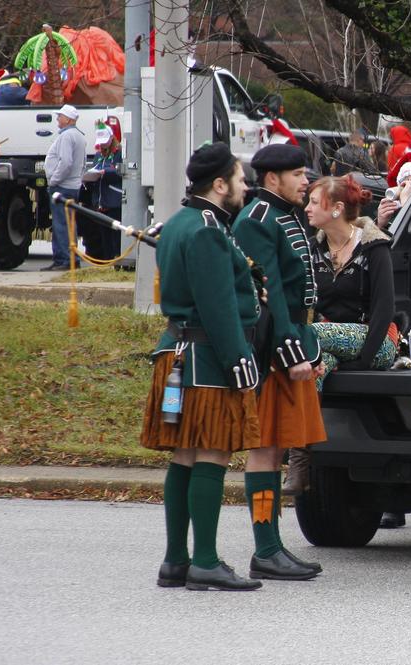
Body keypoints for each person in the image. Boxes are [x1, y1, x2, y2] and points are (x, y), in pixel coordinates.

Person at [139, 142, 262, 591]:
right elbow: (218, 305)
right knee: (212, 449)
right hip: (207, 357)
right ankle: (205, 561)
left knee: (185, 454)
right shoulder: (208, 230)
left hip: (178, 353)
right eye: (240, 178)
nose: (245, 186)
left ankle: (176, 561)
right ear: (219, 184)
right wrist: (238, 360)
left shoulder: (178, 222)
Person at [232, 143, 326, 581]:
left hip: (293, 339)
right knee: (265, 449)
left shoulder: (284, 214)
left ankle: (272, 545)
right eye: (297, 174)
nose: (305, 182)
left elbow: (299, 291)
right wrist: (291, 353)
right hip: (271, 348)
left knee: (279, 449)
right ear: (273, 178)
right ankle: (265, 548)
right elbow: (266, 295)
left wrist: (311, 343)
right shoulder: (257, 220)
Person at [281, 175, 399, 495]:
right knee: (310, 372)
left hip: (376, 341)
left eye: (313, 203)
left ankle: (292, 450)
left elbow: (384, 308)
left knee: (309, 335)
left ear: (336, 209)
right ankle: (299, 460)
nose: (306, 208)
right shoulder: (314, 246)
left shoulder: (374, 246)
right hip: (325, 343)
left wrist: (363, 360)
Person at [42, 104, 87, 271]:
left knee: (62, 224)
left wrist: (54, 180)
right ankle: (65, 258)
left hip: (62, 186)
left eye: (60, 116)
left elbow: (66, 162)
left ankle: (65, 259)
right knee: (67, 223)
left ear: (68, 119)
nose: (57, 119)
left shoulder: (67, 136)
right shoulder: (79, 136)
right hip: (72, 185)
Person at [80, 117, 123, 261]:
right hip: (100, 200)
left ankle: (117, 259)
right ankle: (107, 259)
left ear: (112, 138)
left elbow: (120, 171)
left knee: (115, 234)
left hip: (114, 199)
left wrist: (106, 172)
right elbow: (95, 167)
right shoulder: (99, 154)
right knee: (103, 234)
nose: (103, 146)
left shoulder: (119, 153)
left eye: (105, 143)